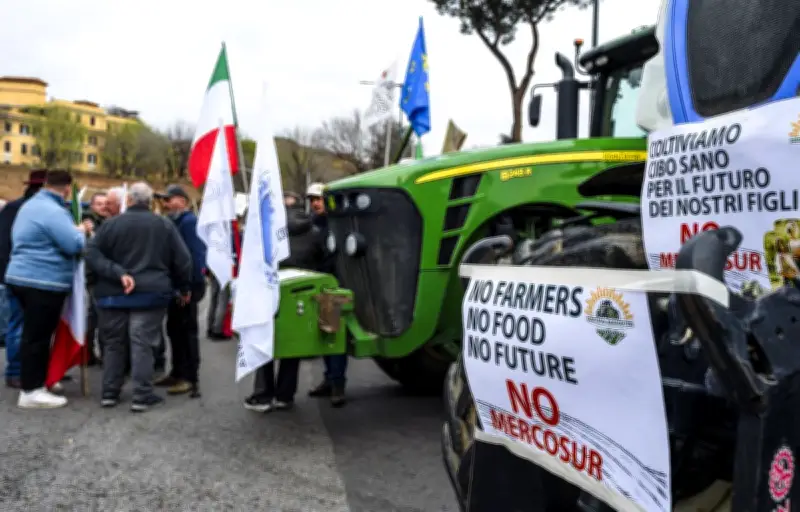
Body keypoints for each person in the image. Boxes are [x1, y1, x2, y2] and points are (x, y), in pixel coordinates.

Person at [85, 182, 193, 412]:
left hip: (112, 295)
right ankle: (141, 395)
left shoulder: (110, 225)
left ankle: (110, 392)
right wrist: (183, 287)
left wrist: (114, 272)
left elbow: (92, 253)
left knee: (113, 344)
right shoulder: (163, 225)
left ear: (130, 200)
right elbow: (183, 260)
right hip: (150, 294)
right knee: (142, 344)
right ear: (149, 201)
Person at [6, 170, 90, 409]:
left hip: (22, 277)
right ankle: (32, 390)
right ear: (66, 189)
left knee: (31, 334)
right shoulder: (53, 211)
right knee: (37, 337)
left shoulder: (32, 205)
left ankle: (34, 381)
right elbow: (72, 244)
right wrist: (83, 232)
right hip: (42, 281)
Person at [243, 192, 322, 412]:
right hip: (303, 293)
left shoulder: (268, 232)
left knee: (265, 341)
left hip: (271, 292)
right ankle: (285, 395)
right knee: (293, 344)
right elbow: (325, 261)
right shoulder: (314, 232)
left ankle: (263, 395)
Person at [154, 185, 207, 397]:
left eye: (169, 199)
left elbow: (193, 256)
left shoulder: (189, 222)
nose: (165, 203)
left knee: (186, 333)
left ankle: (189, 377)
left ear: (182, 201)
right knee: (174, 330)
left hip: (186, 286)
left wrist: (188, 286)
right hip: (175, 285)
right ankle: (176, 372)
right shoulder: (174, 222)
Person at [0, 170, 47, 388]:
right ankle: (15, 370)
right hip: (19, 275)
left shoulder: (19, 207)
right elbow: (4, 244)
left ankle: (33, 368)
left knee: (32, 326)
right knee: (19, 324)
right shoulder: (16, 208)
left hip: (28, 275)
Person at [305, 182, 347, 408]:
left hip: (333, 287)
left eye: (319, 199)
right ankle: (329, 378)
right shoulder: (311, 226)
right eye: (312, 200)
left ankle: (337, 383)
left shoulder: (337, 226)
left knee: (334, 337)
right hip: (317, 286)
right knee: (322, 336)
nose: (315, 203)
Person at [82, 192, 109, 366]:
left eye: (105, 204)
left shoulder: (104, 222)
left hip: (99, 276)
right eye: (99, 204)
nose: (103, 207)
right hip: (93, 276)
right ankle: (90, 353)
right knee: (95, 317)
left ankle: (92, 353)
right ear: (92, 206)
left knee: (96, 318)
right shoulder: (88, 223)